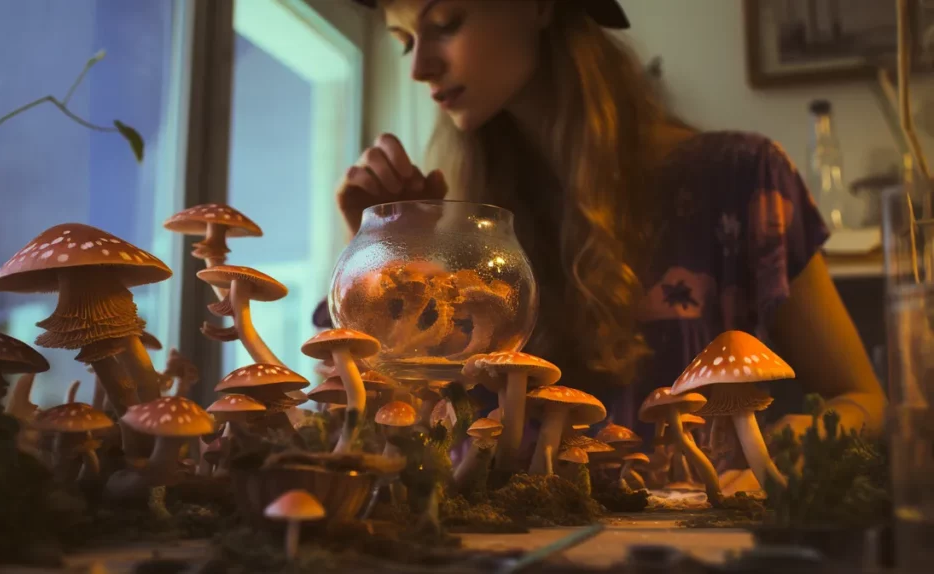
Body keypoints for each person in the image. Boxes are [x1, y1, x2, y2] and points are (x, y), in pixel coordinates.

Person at [319, 0, 886, 492]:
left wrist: (790, 442)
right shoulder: (460, 232)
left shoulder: (743, 180)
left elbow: (864, 400)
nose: (420, 67)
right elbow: (367, 430)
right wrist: (373, 252)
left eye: (445, 23)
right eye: (404, 43)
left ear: (539, 6)